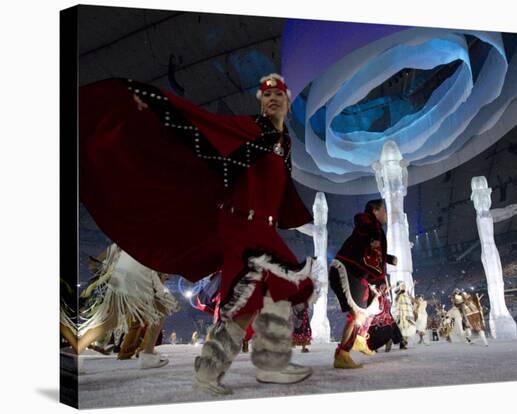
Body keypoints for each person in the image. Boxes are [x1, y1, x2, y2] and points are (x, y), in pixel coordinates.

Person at [79, 73, 317, 395]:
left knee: (268, 296)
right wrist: (152, 104)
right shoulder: (251, 129)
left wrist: (299, 220)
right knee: (266, 291)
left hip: (263, 227)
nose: (273, 100)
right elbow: (201, 130)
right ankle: (223, 370)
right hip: (243, 227)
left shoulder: (284, 142)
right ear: (261, 103)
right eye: (266, 96)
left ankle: (263, 364)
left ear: (288, 103)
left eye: (279, 96)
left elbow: (280, 191)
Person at [77, 244, 179, 369]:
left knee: (112, 319)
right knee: (161, 307)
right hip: (139, 270)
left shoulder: (135, 232)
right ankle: (147, 355)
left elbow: (113, 249)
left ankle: (76, 349)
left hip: (123, 270)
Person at [328, 199, 398, 368]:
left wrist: (388, 259)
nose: (386, 215)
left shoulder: (372, 229)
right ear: (375, 211)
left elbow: (371, 251)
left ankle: (356, 342)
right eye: (384, 210)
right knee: (357, 314)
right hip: (346, 270)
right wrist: (374, 236)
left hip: (356, 274)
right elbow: (362, 223)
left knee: (365, 311)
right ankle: (342, 354)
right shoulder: (366, 221)